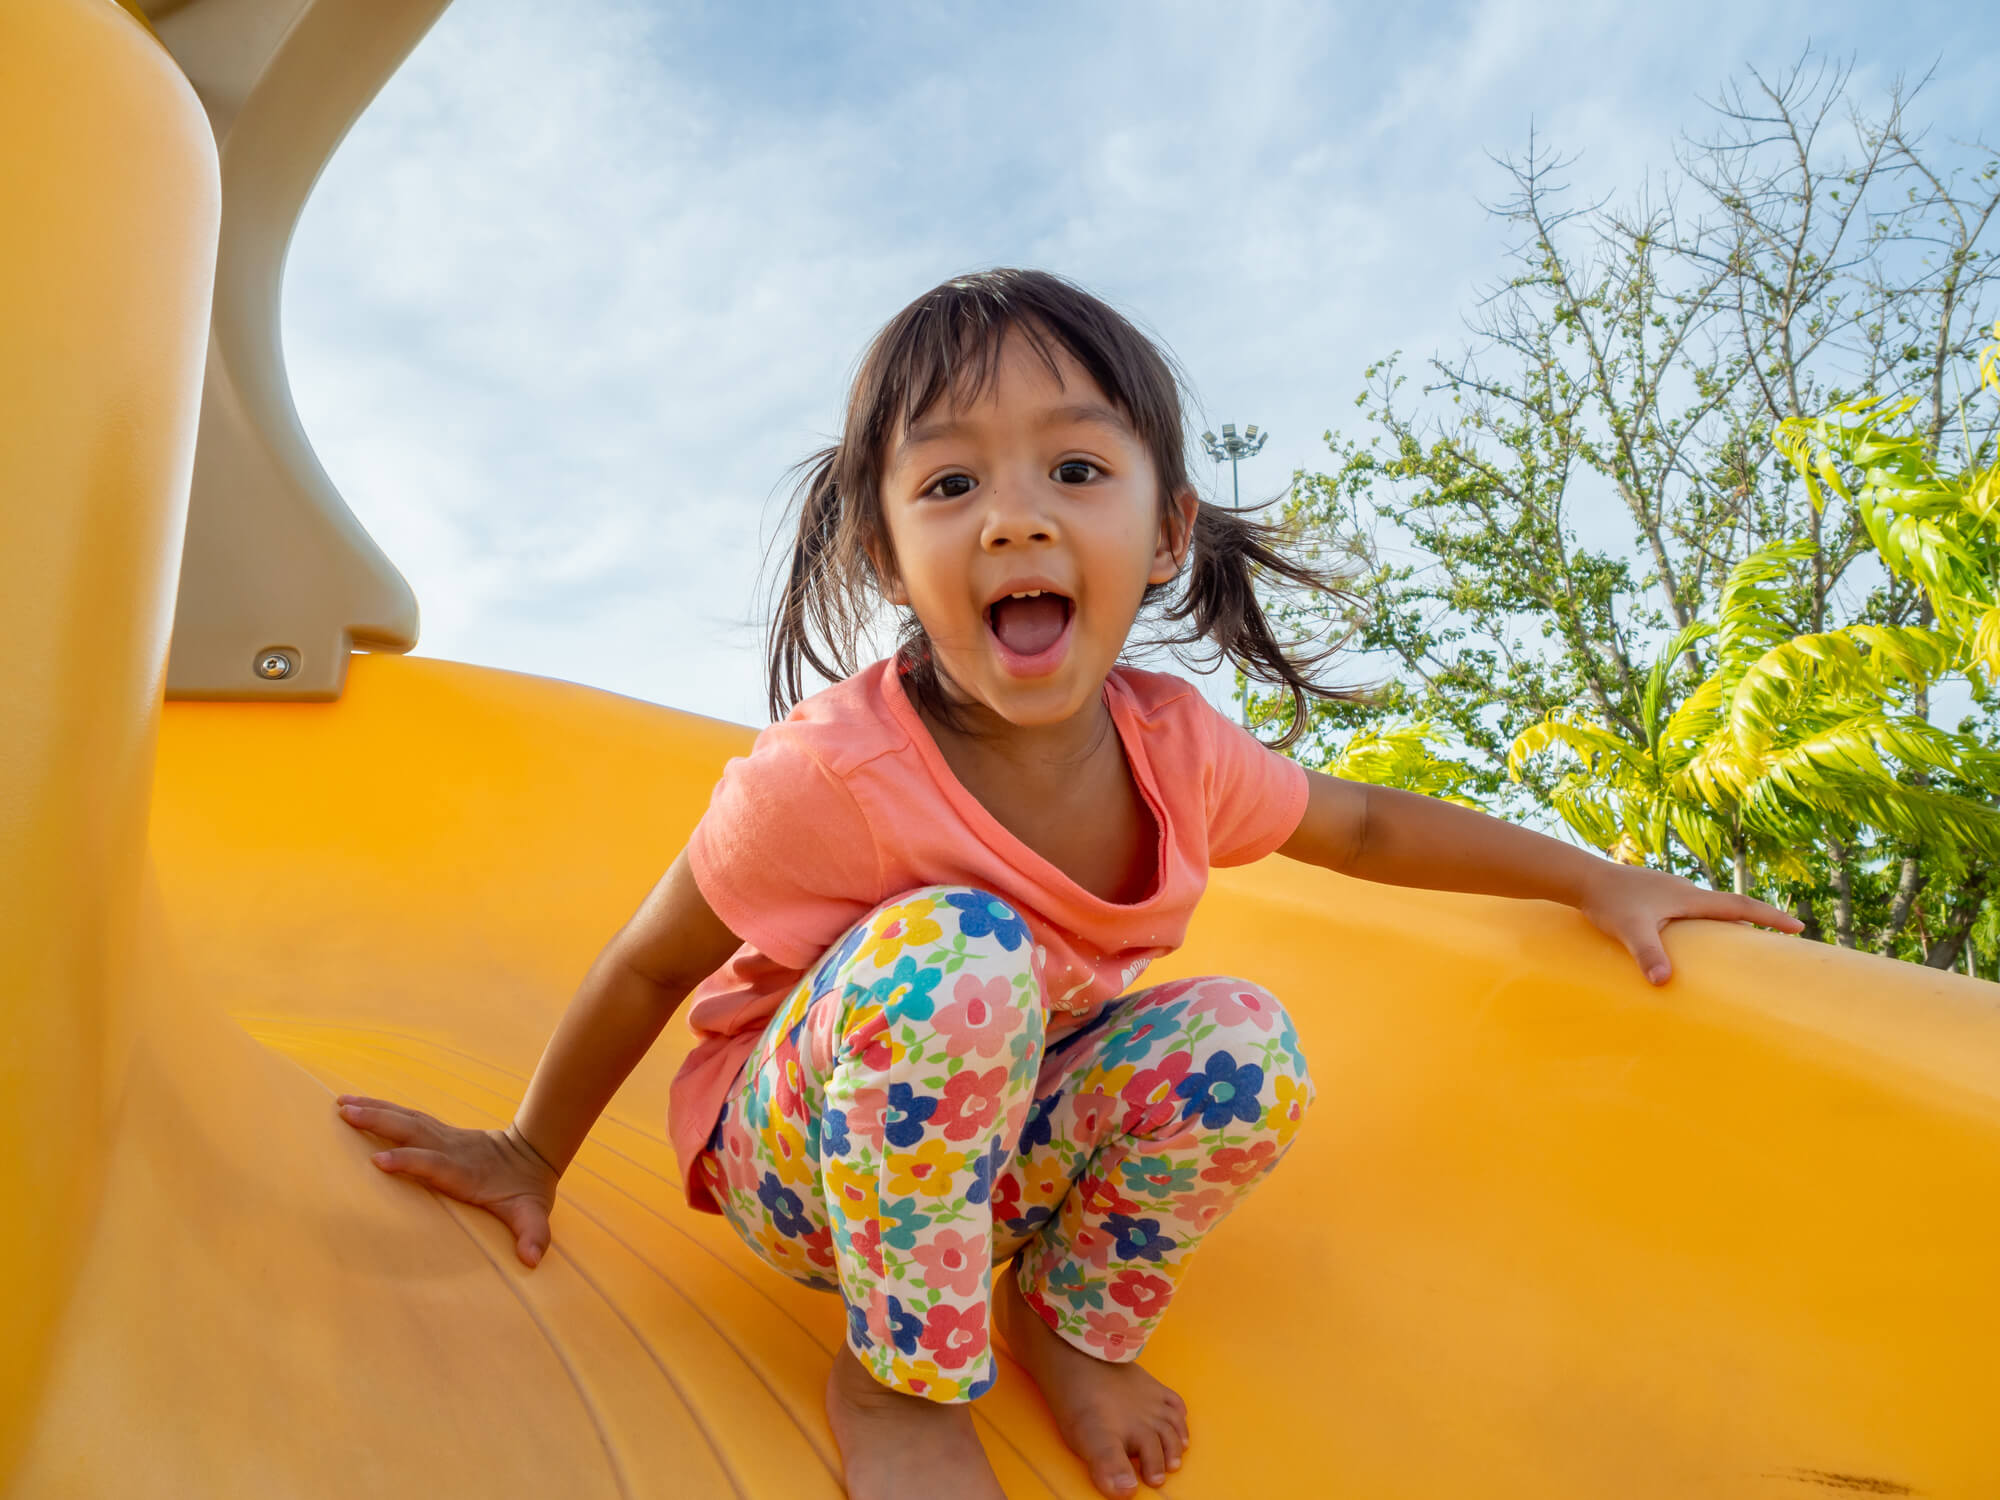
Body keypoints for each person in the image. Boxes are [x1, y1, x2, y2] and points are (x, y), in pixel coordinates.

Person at [334, 268, 1802, 1499]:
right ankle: (905, 1377)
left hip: (996, 1144)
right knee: (960, 953)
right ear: (888, 554)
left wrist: (1595, 880)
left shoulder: (1176, 750)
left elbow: (1357, 828)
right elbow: (655, 963)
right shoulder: (830, 777)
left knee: (1241, 1044)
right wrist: (530, 1152)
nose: (1017, 519)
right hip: (813, 1173)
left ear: (1165, 534)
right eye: (953, 481)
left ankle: (1077, 1320)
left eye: (1077, 471)